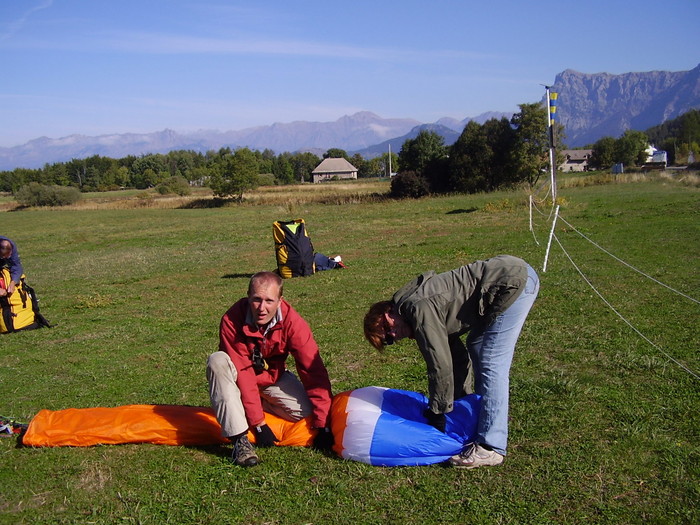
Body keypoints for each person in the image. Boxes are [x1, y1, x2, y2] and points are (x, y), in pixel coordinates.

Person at [363, 255, 539, 469]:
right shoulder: (415, 313)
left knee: (491, 361)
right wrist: (460, 404)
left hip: (511, 283)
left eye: (387, 327)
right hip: (510, 276)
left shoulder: (417, 308)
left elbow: (440, 365)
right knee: (477, 345)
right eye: (389, 339)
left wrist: (439, 412)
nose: (394, 334)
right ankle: (482, 416)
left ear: (388, 310)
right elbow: (455, 358)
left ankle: (492, 446)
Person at [207, 271, 334, 467]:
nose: (262, 308)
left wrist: (323, 424)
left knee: (305, 413)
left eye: (269, 301)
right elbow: (243, 372)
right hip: (239, 377)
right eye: (257, 300)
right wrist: (258, 424)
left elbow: (312, 369)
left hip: (271, 378)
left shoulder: (293, 323)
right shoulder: (232, 319)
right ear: (248, 296)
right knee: (217, 361)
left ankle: (241, 405)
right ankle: (240, 440)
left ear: (280, 300)